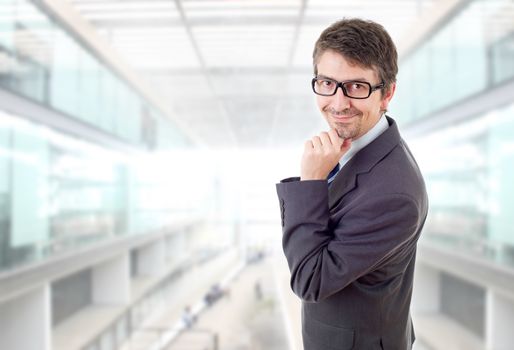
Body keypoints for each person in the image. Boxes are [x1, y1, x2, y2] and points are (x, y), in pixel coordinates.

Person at [276, 18, 428, 350]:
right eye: (327, 83)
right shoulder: (361, 146)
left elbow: (310, 279)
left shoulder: (394, 194)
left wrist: (311, 180)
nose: (338, 102)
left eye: (357, 87)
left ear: (386, 93)